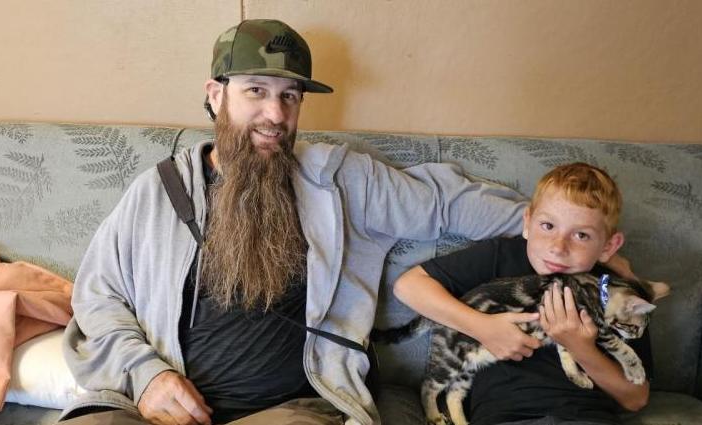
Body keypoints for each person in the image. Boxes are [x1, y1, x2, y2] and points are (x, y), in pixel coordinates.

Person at [60, 19, 530, 425]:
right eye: (256, 91)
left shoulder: (340, 180)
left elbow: (443, 202)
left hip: (290, 409)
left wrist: (553, 230)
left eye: (290, 96)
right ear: (216, 96)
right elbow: (99, 295)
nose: (276, 115)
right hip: (158, 407)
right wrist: (146, 375)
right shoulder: (158, 191)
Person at [393, 163, 654, 425]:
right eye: (548, 225)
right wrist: (484, 327)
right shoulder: (502, 256)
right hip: (506, 418)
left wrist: (581, 347)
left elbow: (636, 398)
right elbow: (409, 286)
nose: (558, 247)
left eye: (582, 235)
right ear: (527, 223)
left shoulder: (618, 294)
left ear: (608, 246)